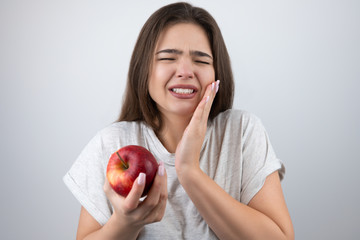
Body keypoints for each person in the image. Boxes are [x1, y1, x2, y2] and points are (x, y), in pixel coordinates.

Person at [63, 2, 294, 239]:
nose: (185, 71)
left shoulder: (243, 132)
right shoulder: (112, 142)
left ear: (217, 73)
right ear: (144, 70)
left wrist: (189, 171)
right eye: (167, 58)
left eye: (202, 61)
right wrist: (125, 224)